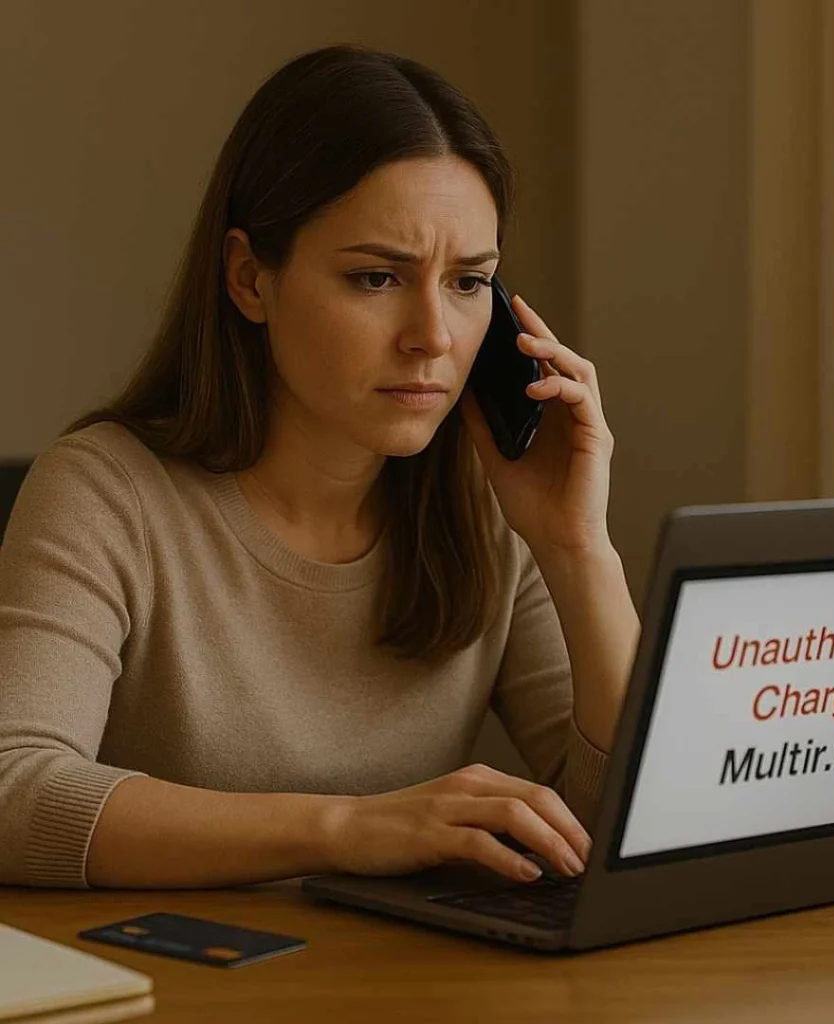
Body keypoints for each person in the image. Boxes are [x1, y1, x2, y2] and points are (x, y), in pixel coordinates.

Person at [0, 43, 640, 890]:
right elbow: (14, 790)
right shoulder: (105, 492)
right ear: (248, 279)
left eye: (468, 282)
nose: (434, 337)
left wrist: (578, 551)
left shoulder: (490, 501)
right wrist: (344, 827)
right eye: (377, 277)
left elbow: (635, 825)